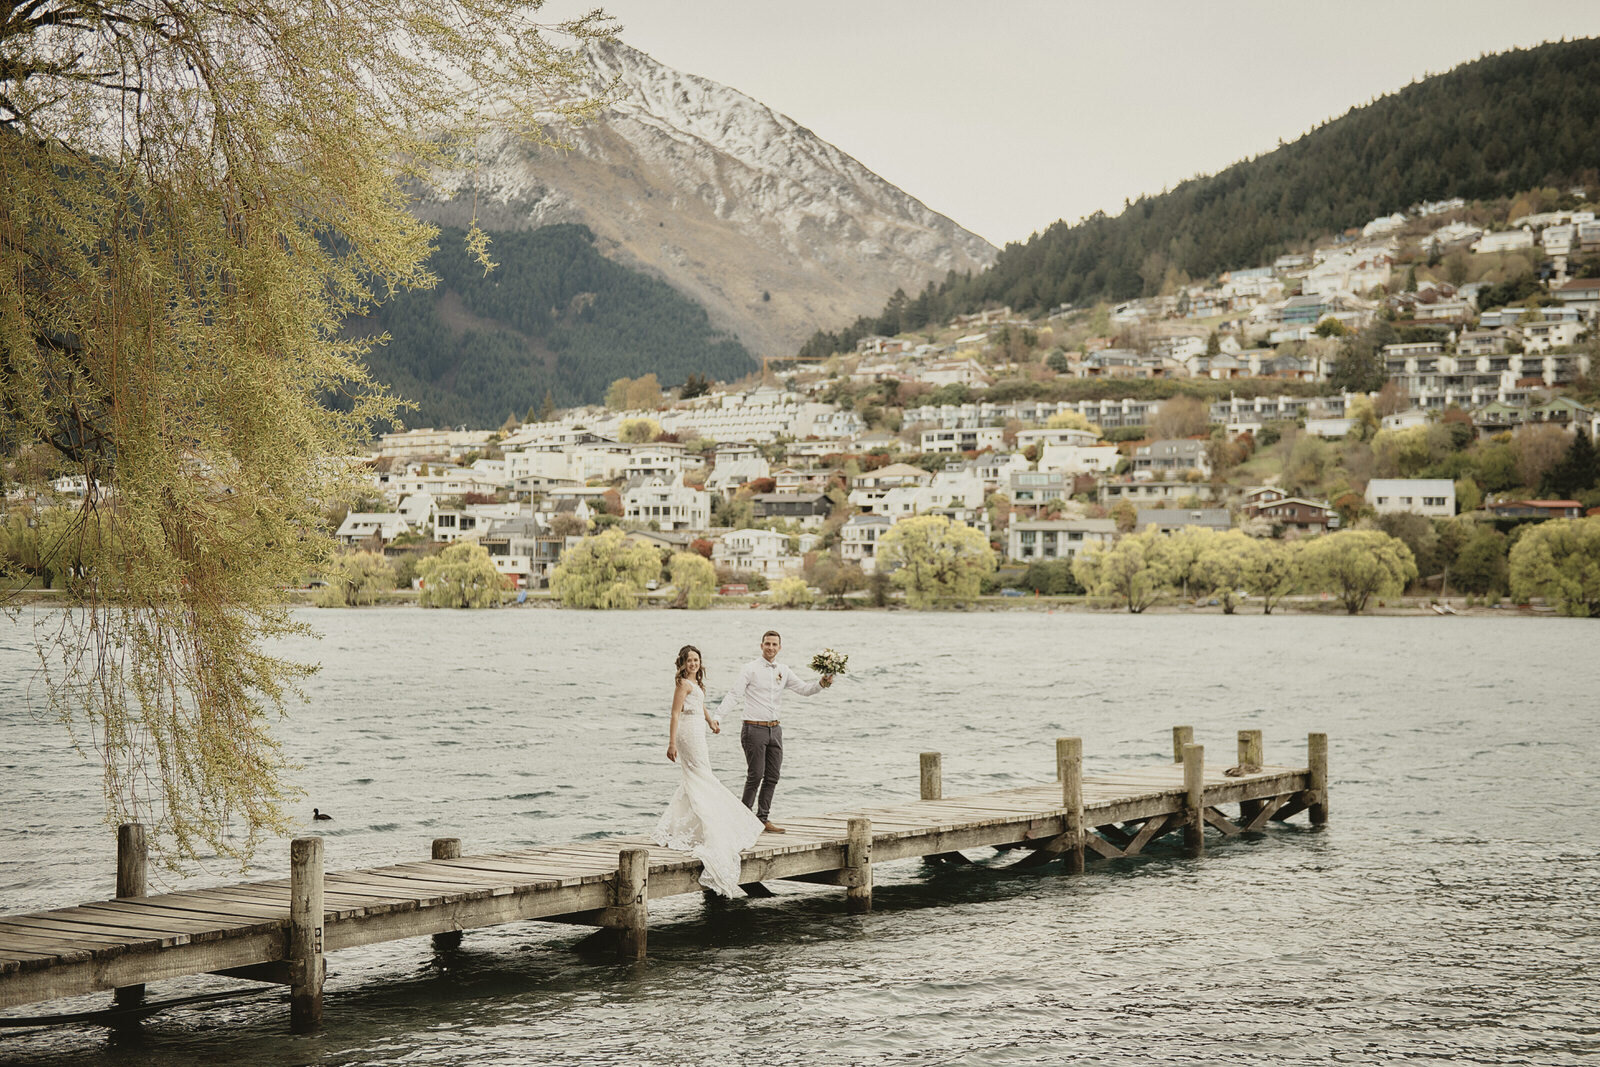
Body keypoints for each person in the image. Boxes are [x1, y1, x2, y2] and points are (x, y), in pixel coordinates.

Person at [653, 645, 766, 898]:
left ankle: (691, 824)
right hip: (686, 734)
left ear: (700, 662)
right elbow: (674, 714)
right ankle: (710, 824)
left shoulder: (696, 684)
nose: (693, 663)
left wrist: (710, 720)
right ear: (682, 663)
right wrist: (671, 743)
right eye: (689, 660)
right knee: (702, 777)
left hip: (698, 731)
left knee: (698, 777)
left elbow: (699, 705)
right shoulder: (682, 684)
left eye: (696, 659)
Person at [716, 629, 832, 834]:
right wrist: (718, 717)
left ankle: (762, 819)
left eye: (774, 644)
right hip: (753, 728)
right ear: (761, 646)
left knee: (772, 776)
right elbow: (734, 695)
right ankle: (742, 820)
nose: (770, 647)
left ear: (779, 647)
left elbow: (804, 689)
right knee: (755, 775)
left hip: (775, 730)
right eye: (767, 644)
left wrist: (821, 683)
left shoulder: (783, 670)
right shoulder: (750, 669)